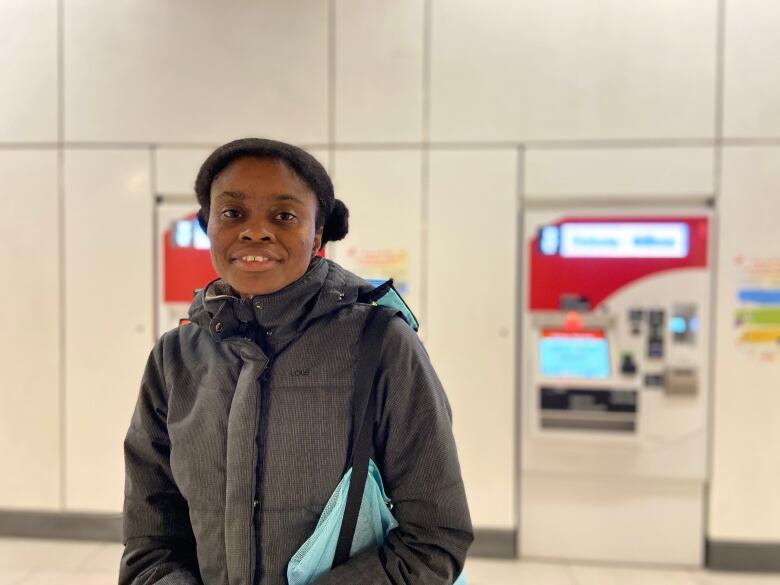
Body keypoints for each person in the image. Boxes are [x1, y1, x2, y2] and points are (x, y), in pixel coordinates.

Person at [119, 138, 473, 585]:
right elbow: (149, 541)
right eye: (232, 214)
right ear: (208, 226)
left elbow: (436, 538)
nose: (255, 231)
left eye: (284, 216)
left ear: (318, 234)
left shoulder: (380, 344)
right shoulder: (175, 359)